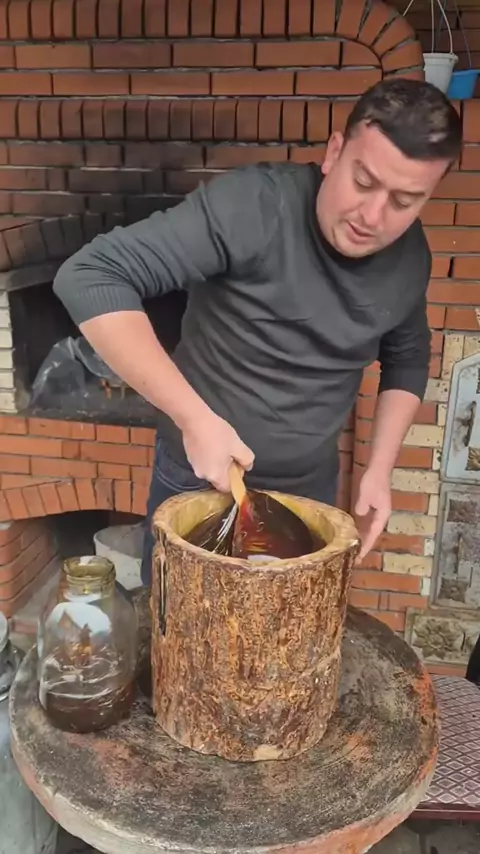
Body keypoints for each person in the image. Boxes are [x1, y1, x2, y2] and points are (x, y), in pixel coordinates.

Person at [53, 78, 462, 586]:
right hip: (196, 481)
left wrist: (379, 469)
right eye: (363, 181)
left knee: (289, 631)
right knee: (178, 624)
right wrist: (193, 418)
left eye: (404, 201)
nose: (373, 216)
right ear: (335, 152)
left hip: (309, 492)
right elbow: (90, 275)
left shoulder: (410, 254)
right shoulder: (253, 205)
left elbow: (407, 357)